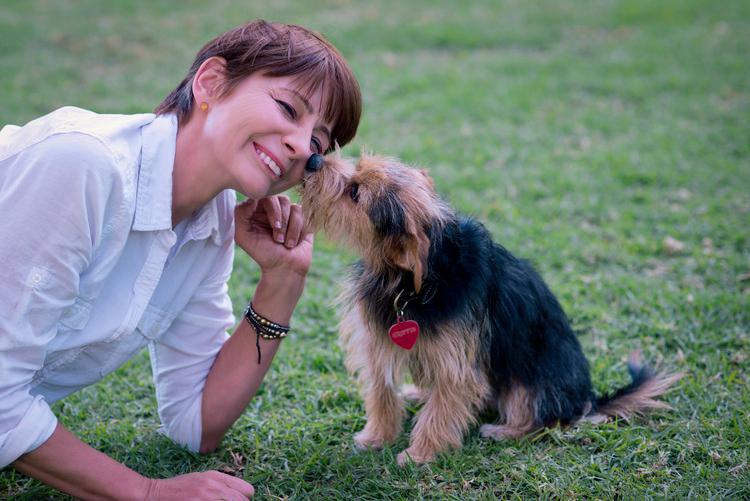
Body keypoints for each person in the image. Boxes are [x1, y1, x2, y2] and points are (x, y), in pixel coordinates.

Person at [0, 19, 361, 499]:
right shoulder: (84, 165)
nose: (300, 147)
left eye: (317, 146)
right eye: (288, 108)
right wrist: (148, 492)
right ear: (211, 82)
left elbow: (197, 423)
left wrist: (282, 280)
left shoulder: (207, 227)